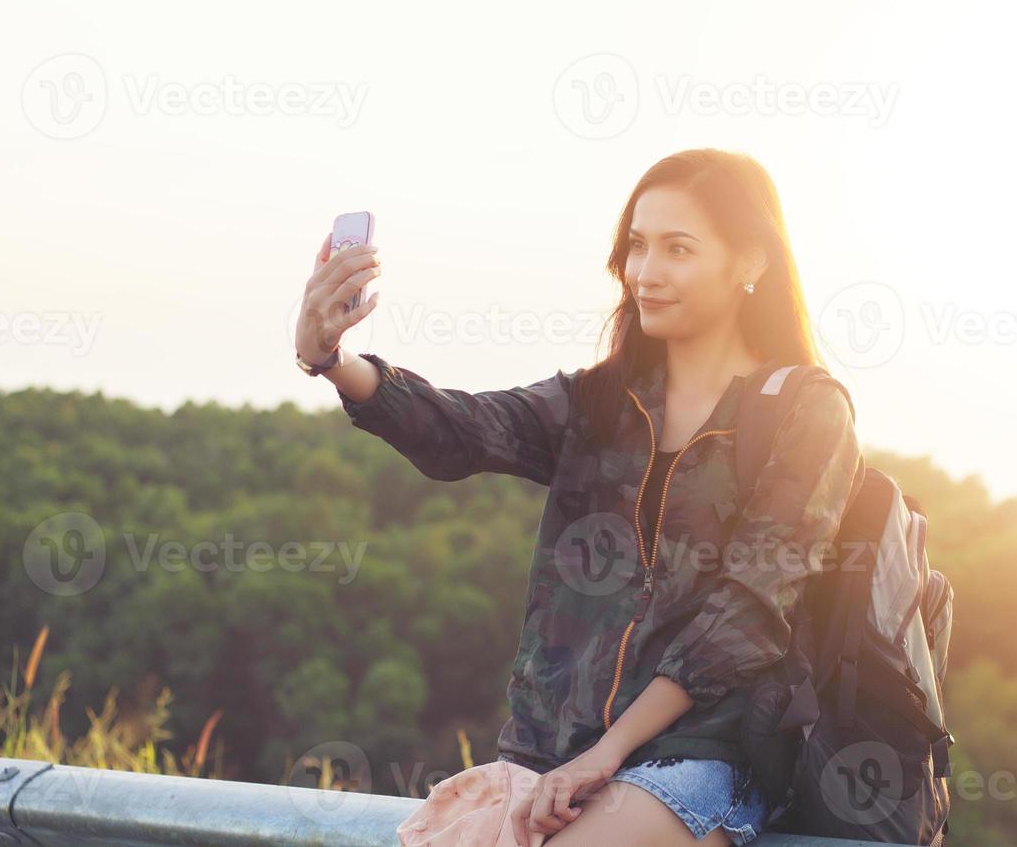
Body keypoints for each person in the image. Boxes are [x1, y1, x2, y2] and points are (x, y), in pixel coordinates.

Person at [294, 148, 864, 846]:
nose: (645, 273)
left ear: (750, 263)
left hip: (705, 759)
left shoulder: (803, 410)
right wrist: (334, 361)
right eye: (637, 246)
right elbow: (461, 433)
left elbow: (744, 617)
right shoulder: (599, 402)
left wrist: (610, 752)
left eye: (677, 249)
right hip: (553, 756)